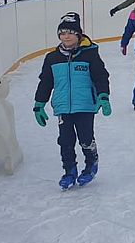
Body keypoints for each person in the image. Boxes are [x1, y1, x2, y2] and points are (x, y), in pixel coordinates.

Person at [33, 12, 111, 190]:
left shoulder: (89, 54)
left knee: (85, 138)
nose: (66, 36)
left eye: (70, 32)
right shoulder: (52, 58)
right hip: (63, 107)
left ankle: (91, 163)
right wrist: (39, 104)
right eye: (62, 33)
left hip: (85, 105)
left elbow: (100, 76)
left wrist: (103, 95)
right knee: (65, 141)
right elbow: (46, 82)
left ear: (78, 34)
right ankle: (69, 171)